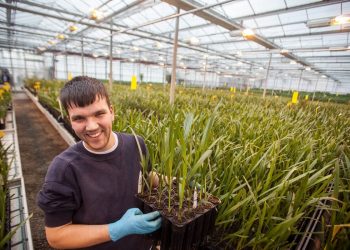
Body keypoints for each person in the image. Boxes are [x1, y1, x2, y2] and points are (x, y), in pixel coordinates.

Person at [37, 76, 161, 249]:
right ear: (70, 120)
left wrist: (176, 183)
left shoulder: (136, 144)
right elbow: (56, 236)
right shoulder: (64, 169)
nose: (91, 126)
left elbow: (145, 176)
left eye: (99, 114)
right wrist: (116, 229)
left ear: (112, 112)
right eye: (79, 118)